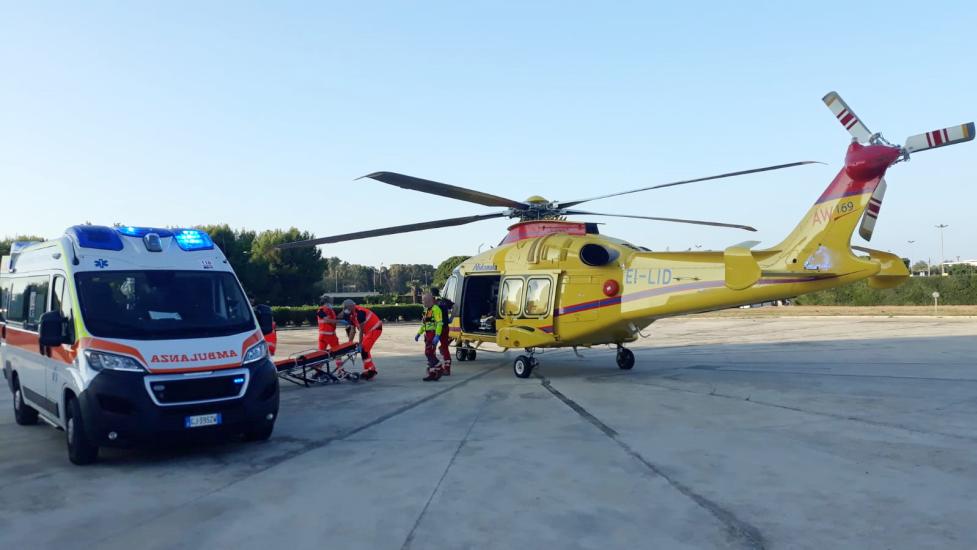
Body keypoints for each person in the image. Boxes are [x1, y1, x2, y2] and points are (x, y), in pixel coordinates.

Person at [341, 299, 382, 380]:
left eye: (346, 307)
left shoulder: (360, 313)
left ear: (351, 306)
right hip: (369, 331)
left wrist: (360, 344)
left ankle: (371, 371)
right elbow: (353, 330)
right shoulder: (352, 315)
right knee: (365, 350)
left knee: (364, 349)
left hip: (375, 329)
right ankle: (368, 370)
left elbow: (361, 331)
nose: (345, 309)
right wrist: (349, 344)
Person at [416, 292, 443, 381]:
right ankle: (432, 373)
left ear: (429, 300)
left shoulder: (436, 309)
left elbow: (439, 323)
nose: (422, 301)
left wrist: (437, 335)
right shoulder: (426, 310)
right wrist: (419, 333)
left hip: (433, 334)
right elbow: (424, 324)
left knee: (428, 353)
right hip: (427, 334)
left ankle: (439, 367)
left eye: (423, 300)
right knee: (430, 353)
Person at [431, 287, 454, 376]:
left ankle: (435, 367)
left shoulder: (433, 302)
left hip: (436, 328)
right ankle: (447, 369)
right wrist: (450, 319)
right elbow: (455, 306)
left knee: (432, 348)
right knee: (445, 347)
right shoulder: (444, 301)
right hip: (445, 327)